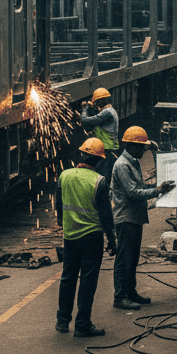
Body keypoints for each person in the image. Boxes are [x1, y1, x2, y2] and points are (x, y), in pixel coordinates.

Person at [55, 138, 117, 337]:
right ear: (99, 161)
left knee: (68, 278)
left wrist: (62, 222)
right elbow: (106, 216)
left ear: (81, 155)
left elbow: (58, 205)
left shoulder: (64, 175)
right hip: (92, 238)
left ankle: (62, 321)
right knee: (87, 281)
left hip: (70, 236)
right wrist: (112, 240)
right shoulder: (99, 181)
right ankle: (82, 324)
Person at [110, 127, 175, 311]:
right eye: (141, 147)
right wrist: (157, 190)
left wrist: (157, 187)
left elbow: (139, 186)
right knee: (124, 259)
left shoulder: (133, 162)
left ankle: (130, 292)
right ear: (130, 146)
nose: (143, 151)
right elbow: (132, 192)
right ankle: (120, 296)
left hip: (135, 217)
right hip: (126, 218)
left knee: (132, 258)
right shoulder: (123, 165)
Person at [81, 87, 119, 176]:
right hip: (108, 147)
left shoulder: (107, 112)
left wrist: (85, 108)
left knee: (103, 174)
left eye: (96, 102)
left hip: (108, 148)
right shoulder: (109, 110)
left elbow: (85, 120)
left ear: (100, 101)